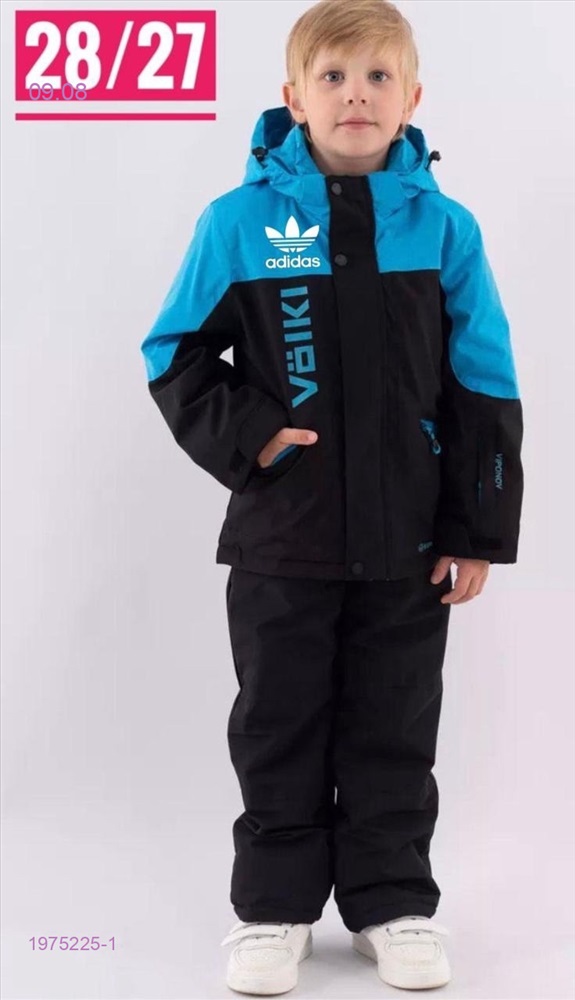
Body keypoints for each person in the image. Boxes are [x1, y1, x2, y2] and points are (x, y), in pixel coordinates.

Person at [139, 0, 524, 993]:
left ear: (411, 98)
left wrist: (475, 529)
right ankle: (272, 911)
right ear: (293, 97)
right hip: (283, 540)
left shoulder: (444, 230)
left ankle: (392, 903)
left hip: (409, 545)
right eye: (333, 77)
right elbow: (174, 353)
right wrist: (254, 435)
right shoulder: (237, 225)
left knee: (393, 725)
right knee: (279, 724)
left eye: (377, 76)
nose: (356, 95)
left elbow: (483, 383)